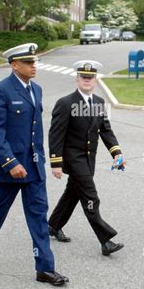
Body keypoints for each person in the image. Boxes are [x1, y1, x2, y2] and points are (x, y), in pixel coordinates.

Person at [0, 43, 69, 287]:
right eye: (29, 62)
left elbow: (36, 130)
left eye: (35, 62)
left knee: (38, 215)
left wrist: (44, 158)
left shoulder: (37, 89)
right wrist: (10, 161)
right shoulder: (0, 90)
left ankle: (45, 269)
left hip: (34, 167)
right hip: (9, 168)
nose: (34, 66)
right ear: (15, 65)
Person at [48, 61, 126, 256]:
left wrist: (117, 153)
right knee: (91, 198)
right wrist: (56, 163)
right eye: (83, 77)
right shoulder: (65, 103)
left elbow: (106, 131)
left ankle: (53, 226)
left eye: (90, 77)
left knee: (72, 195)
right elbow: (55, 135)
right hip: (73, 160)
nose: (87, 80)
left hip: (89, 160)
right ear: (77, 79)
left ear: (95, 80)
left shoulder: (99, 103)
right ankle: (105, 239)